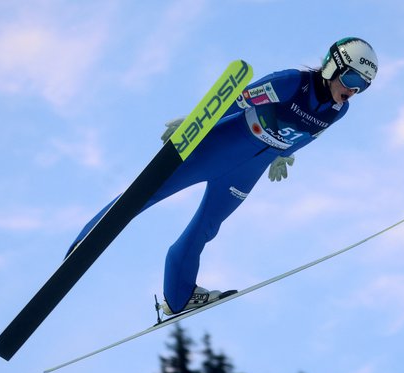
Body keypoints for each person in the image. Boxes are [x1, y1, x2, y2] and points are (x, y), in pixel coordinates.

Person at [67, 37, 379, 315]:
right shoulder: (293, 83)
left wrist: (284, 153)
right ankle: (86, 241)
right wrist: (196, 124)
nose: (353, 89)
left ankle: (179, 297)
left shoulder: (339, 111)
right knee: (147, 193)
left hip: (248, 170)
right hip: (221, 147)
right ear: (332, 67)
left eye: (363, 86)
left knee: (206, 228)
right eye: (351, 78)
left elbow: (309, 135)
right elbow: (237, 100)